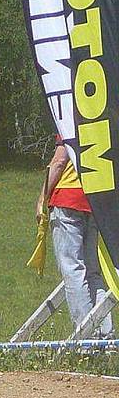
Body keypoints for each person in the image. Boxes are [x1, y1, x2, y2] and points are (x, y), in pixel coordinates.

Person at [37, 135, 113, 337]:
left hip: (67, 198)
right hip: (94, 199)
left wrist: (41, 198)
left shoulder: (69, 117)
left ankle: (85, 335)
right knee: (92, 272)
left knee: (73, 269)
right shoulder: (101, 116)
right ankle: (105, 335)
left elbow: (60, 161)